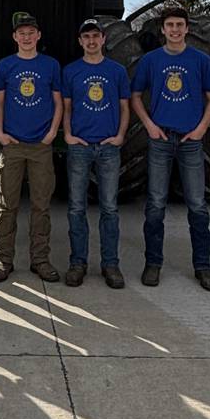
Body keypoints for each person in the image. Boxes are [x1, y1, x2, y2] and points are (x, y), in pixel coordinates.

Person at [130, 6, 210, 291]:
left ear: (187, 28)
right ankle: (153, 263)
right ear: (163, 29)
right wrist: (149, 125)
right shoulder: (151, 61)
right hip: (160, 140)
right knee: (155, 205)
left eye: (180, 25)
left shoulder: (200, 60)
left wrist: (202, 128)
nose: (175, 30)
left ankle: (203, 266)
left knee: (198, 205)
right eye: (170, 25)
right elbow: (134, 97)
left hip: (190, 142)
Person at [0, 12, 63, 283]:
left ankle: (40, 259)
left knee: (40, 206)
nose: (26, 37)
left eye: (31, 32)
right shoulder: (5, 66)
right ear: (14, 37)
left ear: (38, 35)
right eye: (22, 33)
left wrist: (52, 132)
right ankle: (3, 259)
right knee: (6, 205)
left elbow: (58, 102)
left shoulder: (51, 65)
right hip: (13, 145)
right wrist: (0, 131)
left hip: (40, 147)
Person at [62, 18, 131, 289]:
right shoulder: (71, 71)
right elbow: (67, 107)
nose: (91, 41)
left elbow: (125, 107)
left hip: (108, 147)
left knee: (109, 208)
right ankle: (78, 262)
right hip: (80, 146)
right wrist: (68, 135)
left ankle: (110, 263)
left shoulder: (116, 71)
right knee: (76, 207)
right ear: (80, 42)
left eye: (95, 36)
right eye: (86, 37)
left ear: (103, 39)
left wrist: (120, 136)